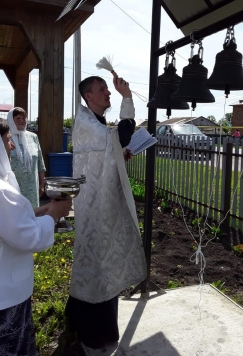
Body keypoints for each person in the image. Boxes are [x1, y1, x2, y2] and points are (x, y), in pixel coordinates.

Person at [65, 72, 147, 353]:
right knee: (95, 260)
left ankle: (87, 320)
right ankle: (91, 329)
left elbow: (110, 149)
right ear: (88, 96)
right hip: (93, 206)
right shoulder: (86, 121)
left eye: (108, 90)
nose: (108, 93)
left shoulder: (97, 122)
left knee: (102, 262)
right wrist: (127, 98)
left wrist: (119, 155)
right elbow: (120, 136)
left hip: (102, 203)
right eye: (103, 90)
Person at [0, 122, 72, 356]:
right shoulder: (2, 192)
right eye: (7, 139)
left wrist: (45, 209)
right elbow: (29, 237)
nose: (12, 146)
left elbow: (13, 222)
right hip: (7, 295)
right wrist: (54, 215)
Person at [7, 107, 46, 208]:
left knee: (32, 214)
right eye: (18, 118)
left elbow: (40, 163)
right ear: (11, 120)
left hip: (32, 187)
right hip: (12, 186)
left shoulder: (33, 137)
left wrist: (42, 184)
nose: (21, 121)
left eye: (23, 118)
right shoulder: (5, 138)